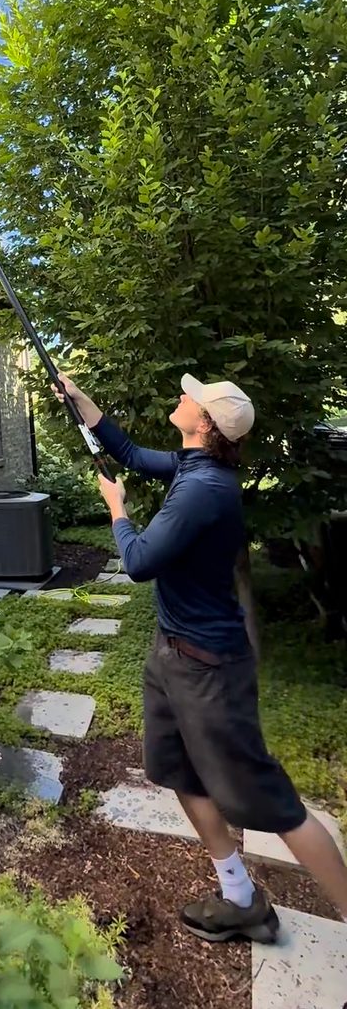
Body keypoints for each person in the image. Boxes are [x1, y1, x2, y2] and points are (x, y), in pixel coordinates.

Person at [55, 372, 347, 943]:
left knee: (274, 804)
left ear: (205, 423)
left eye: (191, 398)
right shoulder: (195, 466)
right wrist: (83, 403)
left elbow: (139, 562)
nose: (181, 398)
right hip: (172, 656)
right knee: (177, 771)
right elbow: (132, 454)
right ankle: (239, 895)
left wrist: (116, 510)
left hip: (210, 669)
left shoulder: (202, 491)